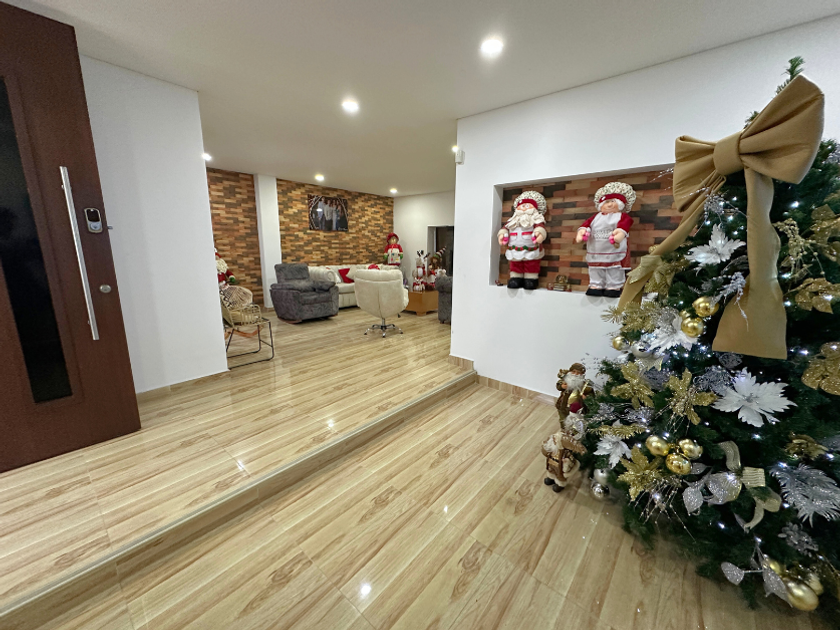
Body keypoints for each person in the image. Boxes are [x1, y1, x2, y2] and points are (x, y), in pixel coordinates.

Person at [574, 181, 635, 298]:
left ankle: (614, 286)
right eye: (606, 202)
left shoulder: (621, 216)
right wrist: (582, 232)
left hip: (613, 248)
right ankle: (595, 285)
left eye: (613, 202)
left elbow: (625, 225)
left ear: (620, 204)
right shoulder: (596, 217)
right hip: (596, 248)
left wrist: (619, 234)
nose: (609, 205)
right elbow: (586, 225)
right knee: (595, 268)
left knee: (614, 268)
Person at [497, 191, 547, 290]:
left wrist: (539, 234)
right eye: (522, 206)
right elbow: (505, 228)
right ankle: (515, 278)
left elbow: (540, 228)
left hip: (531, 248)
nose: (524, 208)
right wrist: (502, 234)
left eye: (527, 206)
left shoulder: (536, 220)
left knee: (531, 264)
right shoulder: (512, 221)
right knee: (515, 264)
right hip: (514, 248)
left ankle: (531, 279)